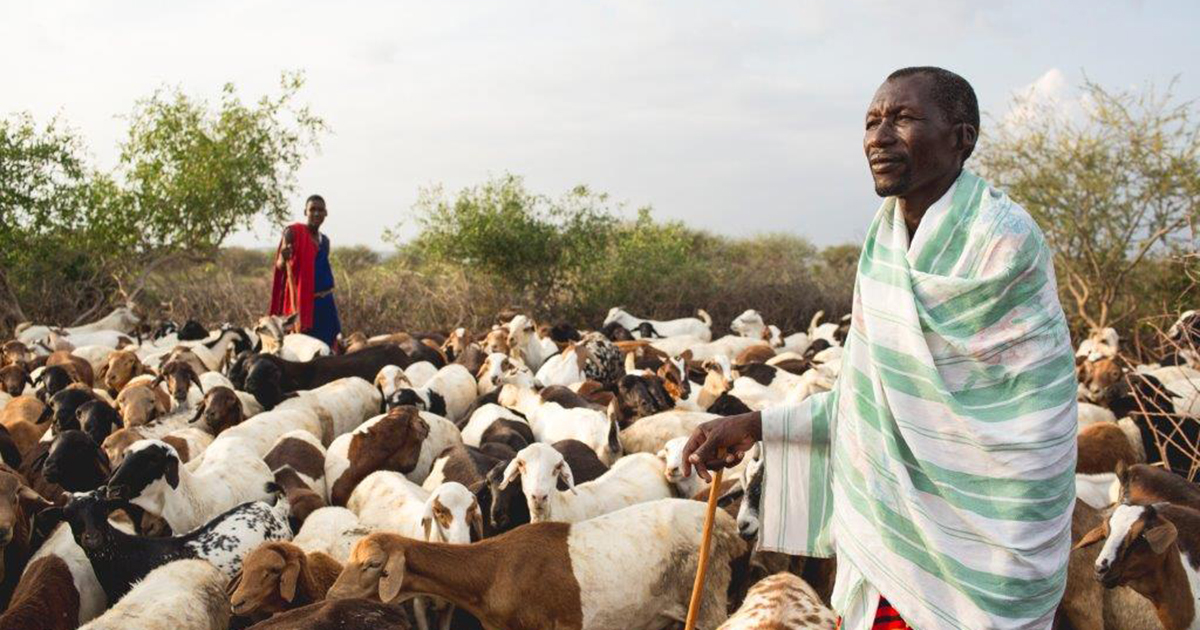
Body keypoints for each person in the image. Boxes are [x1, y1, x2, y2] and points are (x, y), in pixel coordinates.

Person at [682, 67, 1077, 630]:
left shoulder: (1005, 242)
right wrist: (755, 424)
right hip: (894, 547)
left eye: (903, 118)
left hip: (989, 548)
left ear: (962, 138)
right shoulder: (882, 241)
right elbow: (871, 398)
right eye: (871, 121)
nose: (878, 136)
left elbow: (1029, 422)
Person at [269, 194, 342, 350]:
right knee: (304, 348)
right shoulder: (293, 232)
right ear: (305, 212)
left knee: (330, 347)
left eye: (320, 210)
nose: (316, 213)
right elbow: (281, 265)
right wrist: (283, 257)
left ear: (326, 213)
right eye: (312, 209)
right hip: (304, 303)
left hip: (326, 302)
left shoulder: (325, 241)